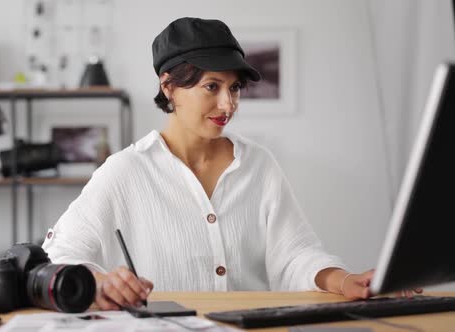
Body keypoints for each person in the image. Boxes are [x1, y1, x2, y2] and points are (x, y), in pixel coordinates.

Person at [42, 17, 422, 310]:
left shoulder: (259, 164)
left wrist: (344, 281)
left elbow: (294, 254)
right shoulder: (124, 172)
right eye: (212, 86)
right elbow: (60, 256)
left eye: (235, 87)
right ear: (168, 86)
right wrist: (103, 281)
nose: (228, 105)